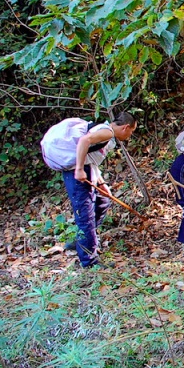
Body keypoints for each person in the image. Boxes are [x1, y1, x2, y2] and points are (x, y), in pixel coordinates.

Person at [63, 112, 137, 268]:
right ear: (125, 128)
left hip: (87, 169)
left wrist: (101, 183)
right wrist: (79, 169)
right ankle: (89, 261)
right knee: (85, 214)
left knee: (102, 201)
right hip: (76, 172)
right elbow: (84, 141)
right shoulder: (107, 132)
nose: (130, 135)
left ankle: (82, 241)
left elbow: (92, 159)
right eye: (131, 131)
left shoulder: (107, 135)